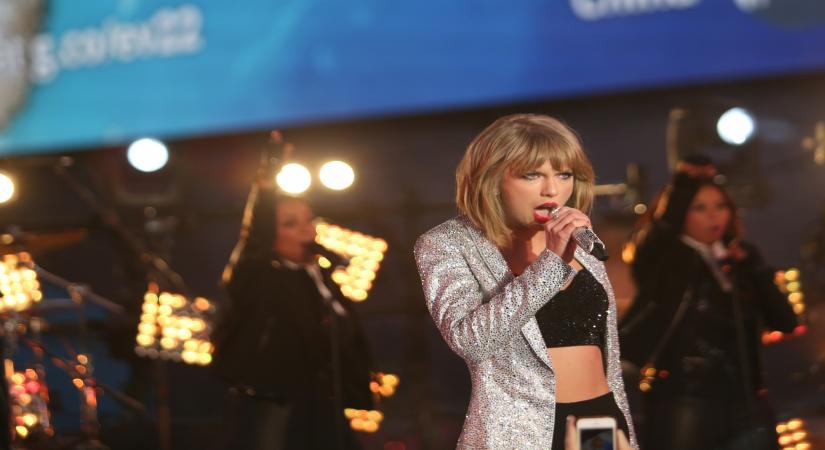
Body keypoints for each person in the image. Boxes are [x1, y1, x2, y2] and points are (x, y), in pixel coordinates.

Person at [414, 114, 637, 450]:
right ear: (491, 178)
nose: (552, 190)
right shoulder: (449, 244)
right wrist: (551, 263)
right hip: (519, 433)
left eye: (564, 174)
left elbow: (610, 358)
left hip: (597, 424)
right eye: (532, 175)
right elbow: (471, 342)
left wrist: (624, 428)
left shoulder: (578, 240)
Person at [619, 159, 798, 450]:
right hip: (685, 397)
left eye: (720, 206)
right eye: (699, 207)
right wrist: (682, 187)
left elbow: (785, 321)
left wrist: (755, 268)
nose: (713, 215)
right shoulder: (667, 259)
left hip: (747, 400)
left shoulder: (739, 261)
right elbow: (662, 232)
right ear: (681, 212)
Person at [211, 150, 373, 450]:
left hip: (324, 400)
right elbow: (256, 238)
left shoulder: (321, 277)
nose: (305, 229)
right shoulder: (261, 277)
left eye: (308, 220)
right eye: (290, 223)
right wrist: (266, 185)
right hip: (275, 399)